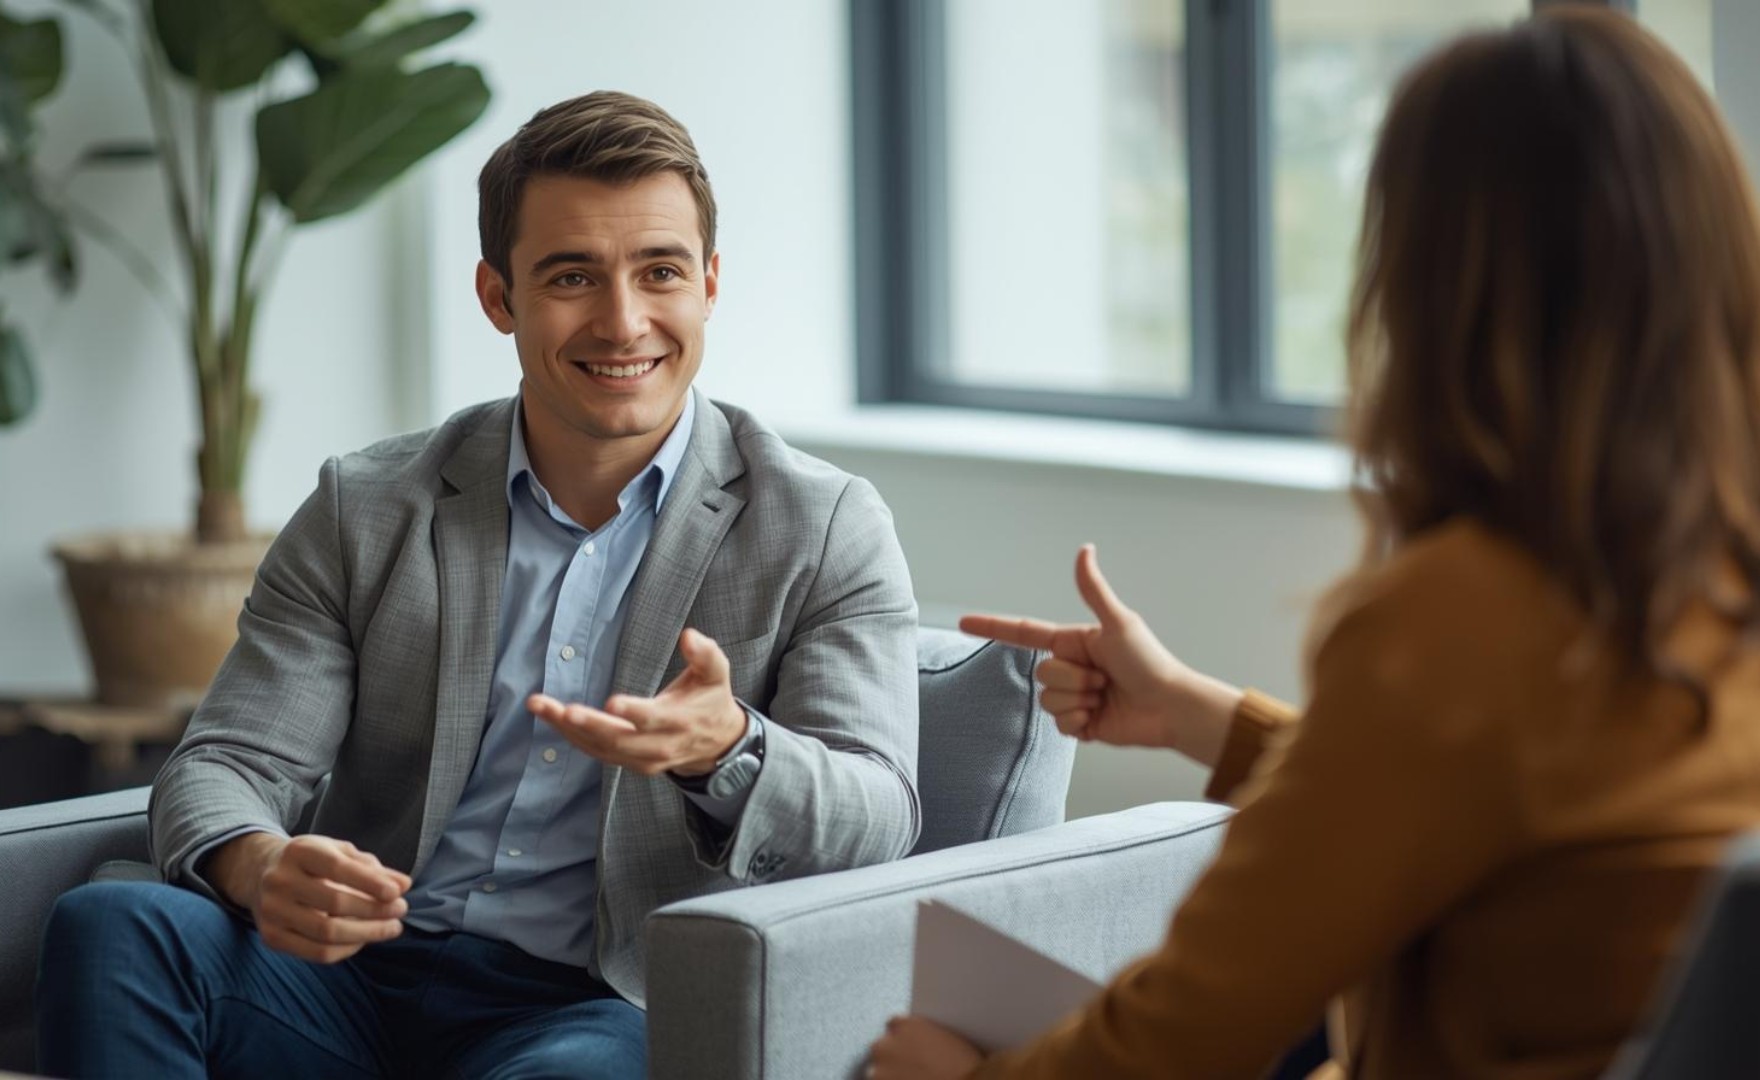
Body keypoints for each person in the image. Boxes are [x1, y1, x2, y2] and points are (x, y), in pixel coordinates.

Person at [870, 7, 1760, 1079]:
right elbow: (1508, 808)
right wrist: (1199, 718)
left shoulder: (1458, 617)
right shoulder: (1704, 566)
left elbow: (1183, 1035)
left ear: (1434, 284)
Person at [35, 90, 921, 1079]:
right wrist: (261, 863)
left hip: (591, 1005)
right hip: (348, 973)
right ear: (498, 296)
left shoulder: (825, 524)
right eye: (572, 276)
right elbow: (226, 759)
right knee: (115, 925)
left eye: (659, 272)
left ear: (708, 284)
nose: (621, 321)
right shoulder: (365, 507)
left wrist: (727, 751)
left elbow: (878, 812)